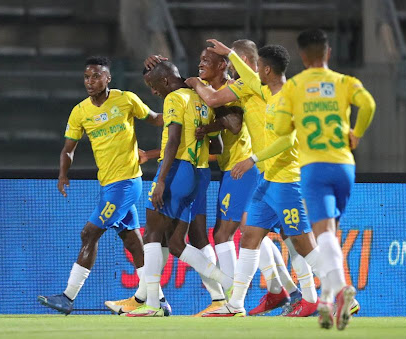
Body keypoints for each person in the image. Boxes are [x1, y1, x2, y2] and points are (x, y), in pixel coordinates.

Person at [186, 40, 312, 317]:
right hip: (262, 169)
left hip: (257, 168)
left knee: (240, 233)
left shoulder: (252, 86)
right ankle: (280, 293)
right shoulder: (257, 86)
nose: (230, 68)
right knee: (262, 233)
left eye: (231, 62)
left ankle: (313, 292)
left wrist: (193, 82)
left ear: (246, 61)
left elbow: (218, 105)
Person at [37, 56, 163, 315]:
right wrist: (63, 174)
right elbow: (68, 149)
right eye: (87, 77)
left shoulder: (126, 99)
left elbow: (154, 118)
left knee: (89, 233)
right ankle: (158, 300)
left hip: (126, 183)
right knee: (133, 241)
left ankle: (67, 297)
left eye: (96, 76)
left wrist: (179, 111)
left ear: (108, 78)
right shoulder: (80, 111)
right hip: (109, 185)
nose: (90, 81)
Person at [274, 29, 375, 330]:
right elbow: (368, 104)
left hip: (314, 167)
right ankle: (329, 297)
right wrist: (356, 133)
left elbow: (280, 128)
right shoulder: (345, 82)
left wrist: (292, 120)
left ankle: (340, 291)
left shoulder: (293, 86)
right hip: (344, 166)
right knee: (332, 230)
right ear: (328, 53)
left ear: (303, 56)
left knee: (325, 234)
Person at [126, 60, 233, 317]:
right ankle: (231, 284)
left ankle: (151, 304)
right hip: (200, 173)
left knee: (152, 234)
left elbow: (173, 139)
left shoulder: (173, 98)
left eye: (153, 86)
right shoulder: (201, 96)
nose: (153, 92)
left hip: (177, 170)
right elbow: (216, 145)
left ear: (164, 81)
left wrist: (161, 179)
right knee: (176, 243)